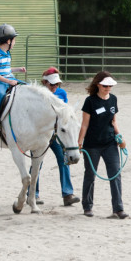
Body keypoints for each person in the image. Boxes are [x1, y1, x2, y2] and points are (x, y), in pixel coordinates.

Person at [77, 71, 129, 219]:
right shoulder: (90, 101)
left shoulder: (113, 99)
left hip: (110, 143)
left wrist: (120, 137)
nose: (108, 88)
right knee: (90, 175)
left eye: (110, 86)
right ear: (98, 85)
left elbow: (113, 121)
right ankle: (87, 206)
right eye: (105, 85)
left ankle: (118, 208)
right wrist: (80, 142)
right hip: (92, 144)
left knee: (115, 175)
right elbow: (84, 125)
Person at [34, 68, 79, 207]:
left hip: (58, 135)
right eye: (52, 84)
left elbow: (65, 113)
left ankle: (67, 194)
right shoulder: (38, 95)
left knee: (64, 160)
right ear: (44, 82)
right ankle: (33, 193)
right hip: (42, 134)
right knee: (37, 164)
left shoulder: (61, 93)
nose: (55, 87)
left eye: (57, 84)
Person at [0, 23, 26, 133]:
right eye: (14, 40)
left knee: (27, 86)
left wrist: (18, 69)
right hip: (0, 82)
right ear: (8, 41)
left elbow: (6, 70)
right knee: (0, 94)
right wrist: (9, 81)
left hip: (9, 78)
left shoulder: (7, 53)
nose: (15, 42)